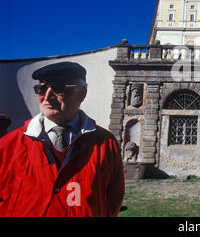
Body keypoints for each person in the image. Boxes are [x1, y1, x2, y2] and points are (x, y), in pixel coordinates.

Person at [0, 62, 125, 217]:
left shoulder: (105, 143)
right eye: (41, 89)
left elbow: (114, 197)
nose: (46, 97)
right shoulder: (7, 145)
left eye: (58, 88)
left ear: (81, 94)